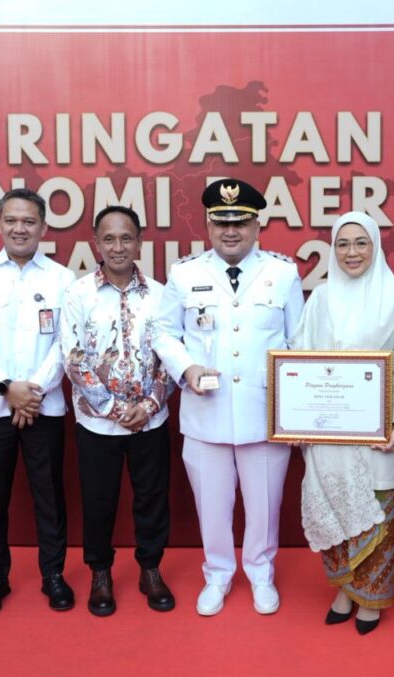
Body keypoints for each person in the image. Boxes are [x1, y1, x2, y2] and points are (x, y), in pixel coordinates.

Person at [155, 178, 304, 616]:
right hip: (206, 414)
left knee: (264, 506)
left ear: (257, 226)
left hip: (264, 414)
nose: (231, 231)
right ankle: (217, 574)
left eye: (240, 223)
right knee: (212, 507)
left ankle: (261, 573)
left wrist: (295, 410)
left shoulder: (282, 273)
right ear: (208, 226)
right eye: (222, 223)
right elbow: (163, 333)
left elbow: (298, 341)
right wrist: (186, 368)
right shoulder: (185, 274)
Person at [292, 211, 394, 635]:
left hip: (377, 434)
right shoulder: (320, 298)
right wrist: (293, 419)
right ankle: (345, 590)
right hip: (328, 432)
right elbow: (300, 358)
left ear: (375, 246)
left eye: (361, 242)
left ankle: (371, 597)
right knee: (334, 507)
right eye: (342, 244)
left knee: (377, 515)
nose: (352, 252)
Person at [0, 188, 76, 616]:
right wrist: (7, 387)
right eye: (11, 220)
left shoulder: (63, 279)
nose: (19, 228)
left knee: (50, 495)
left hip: (45, 407)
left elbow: (66, 344)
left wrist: (33, 391)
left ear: (43, 227)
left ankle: (53, 574)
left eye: (29, 221)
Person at [60, 205, 174, 617]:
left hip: (150, 421)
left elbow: (171, 355)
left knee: (152, 499)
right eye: (109, 238)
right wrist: (111, 407)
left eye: (126, 238)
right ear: (96, 243)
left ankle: (150, 569)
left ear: (140, 242)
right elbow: (73, 358)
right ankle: (100, 573)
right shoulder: (78, 294)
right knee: (98, 500)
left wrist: (149, 404)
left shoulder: (161, 294)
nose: (118, 246)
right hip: (97, 424)